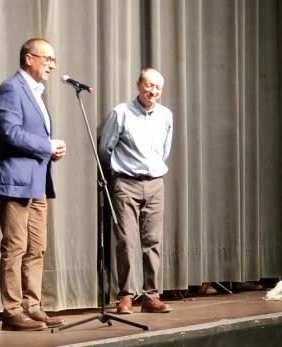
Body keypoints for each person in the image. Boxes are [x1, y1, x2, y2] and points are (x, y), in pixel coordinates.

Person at [0, 38, 67, 331]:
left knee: (37, 248)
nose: (53, 65)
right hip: (15, 183)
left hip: (37, 184)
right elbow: (9, 133)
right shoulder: (11, 88)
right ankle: (11, 311)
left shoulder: (37, 94)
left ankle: (32, 306)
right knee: (15, 247)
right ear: (29, 58)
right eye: (48, 59)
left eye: (53, 60)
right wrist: (47, 145)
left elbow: (31, 137)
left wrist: (51, 151)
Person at [98, 67, 173, 314]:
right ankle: (126, 295)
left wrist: (150, 169)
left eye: (158, 87)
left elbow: (164, 150)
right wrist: (122, 173)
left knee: (153, 242)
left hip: (154, 184)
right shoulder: (121, 113)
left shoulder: (165, 115)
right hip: (126, 183)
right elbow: (105, 150)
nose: (153, 91)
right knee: (126, 241)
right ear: (138, 85)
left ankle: (151, 295)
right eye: (149, 85)